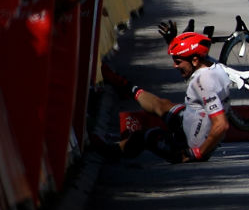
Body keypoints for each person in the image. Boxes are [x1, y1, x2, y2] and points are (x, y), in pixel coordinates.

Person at [97, 32, 230, 163]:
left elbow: (221, 125)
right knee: (163, 106)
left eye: (178, 62)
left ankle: (107, 151)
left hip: (189, 146)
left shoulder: (202, 82)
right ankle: (123, 84)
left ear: (195, 60)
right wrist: (172, 40)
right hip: (194, 122)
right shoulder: (214, 67)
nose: (175, 66)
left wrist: (197, 153)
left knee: (143, 136)